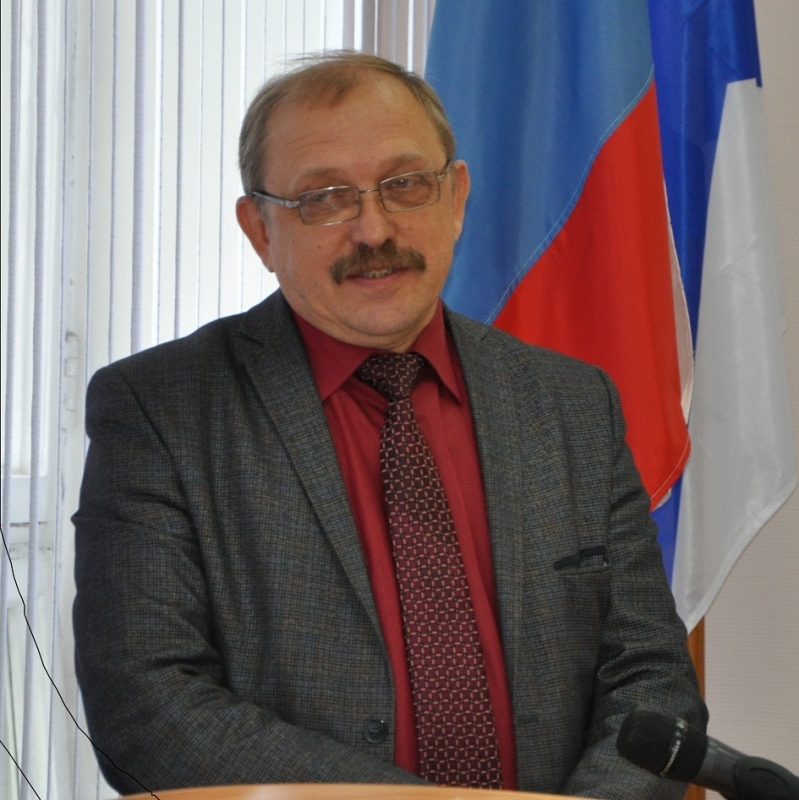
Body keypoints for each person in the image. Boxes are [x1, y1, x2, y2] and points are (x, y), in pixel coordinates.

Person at [73, 51, 706, 798]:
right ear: (260, 230)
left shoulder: (570, 403)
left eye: (405, 184)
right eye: (324, 198)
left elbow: (651, 681)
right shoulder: (162, 409)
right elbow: (148, 708)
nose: (373, 230)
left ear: (456, 197)